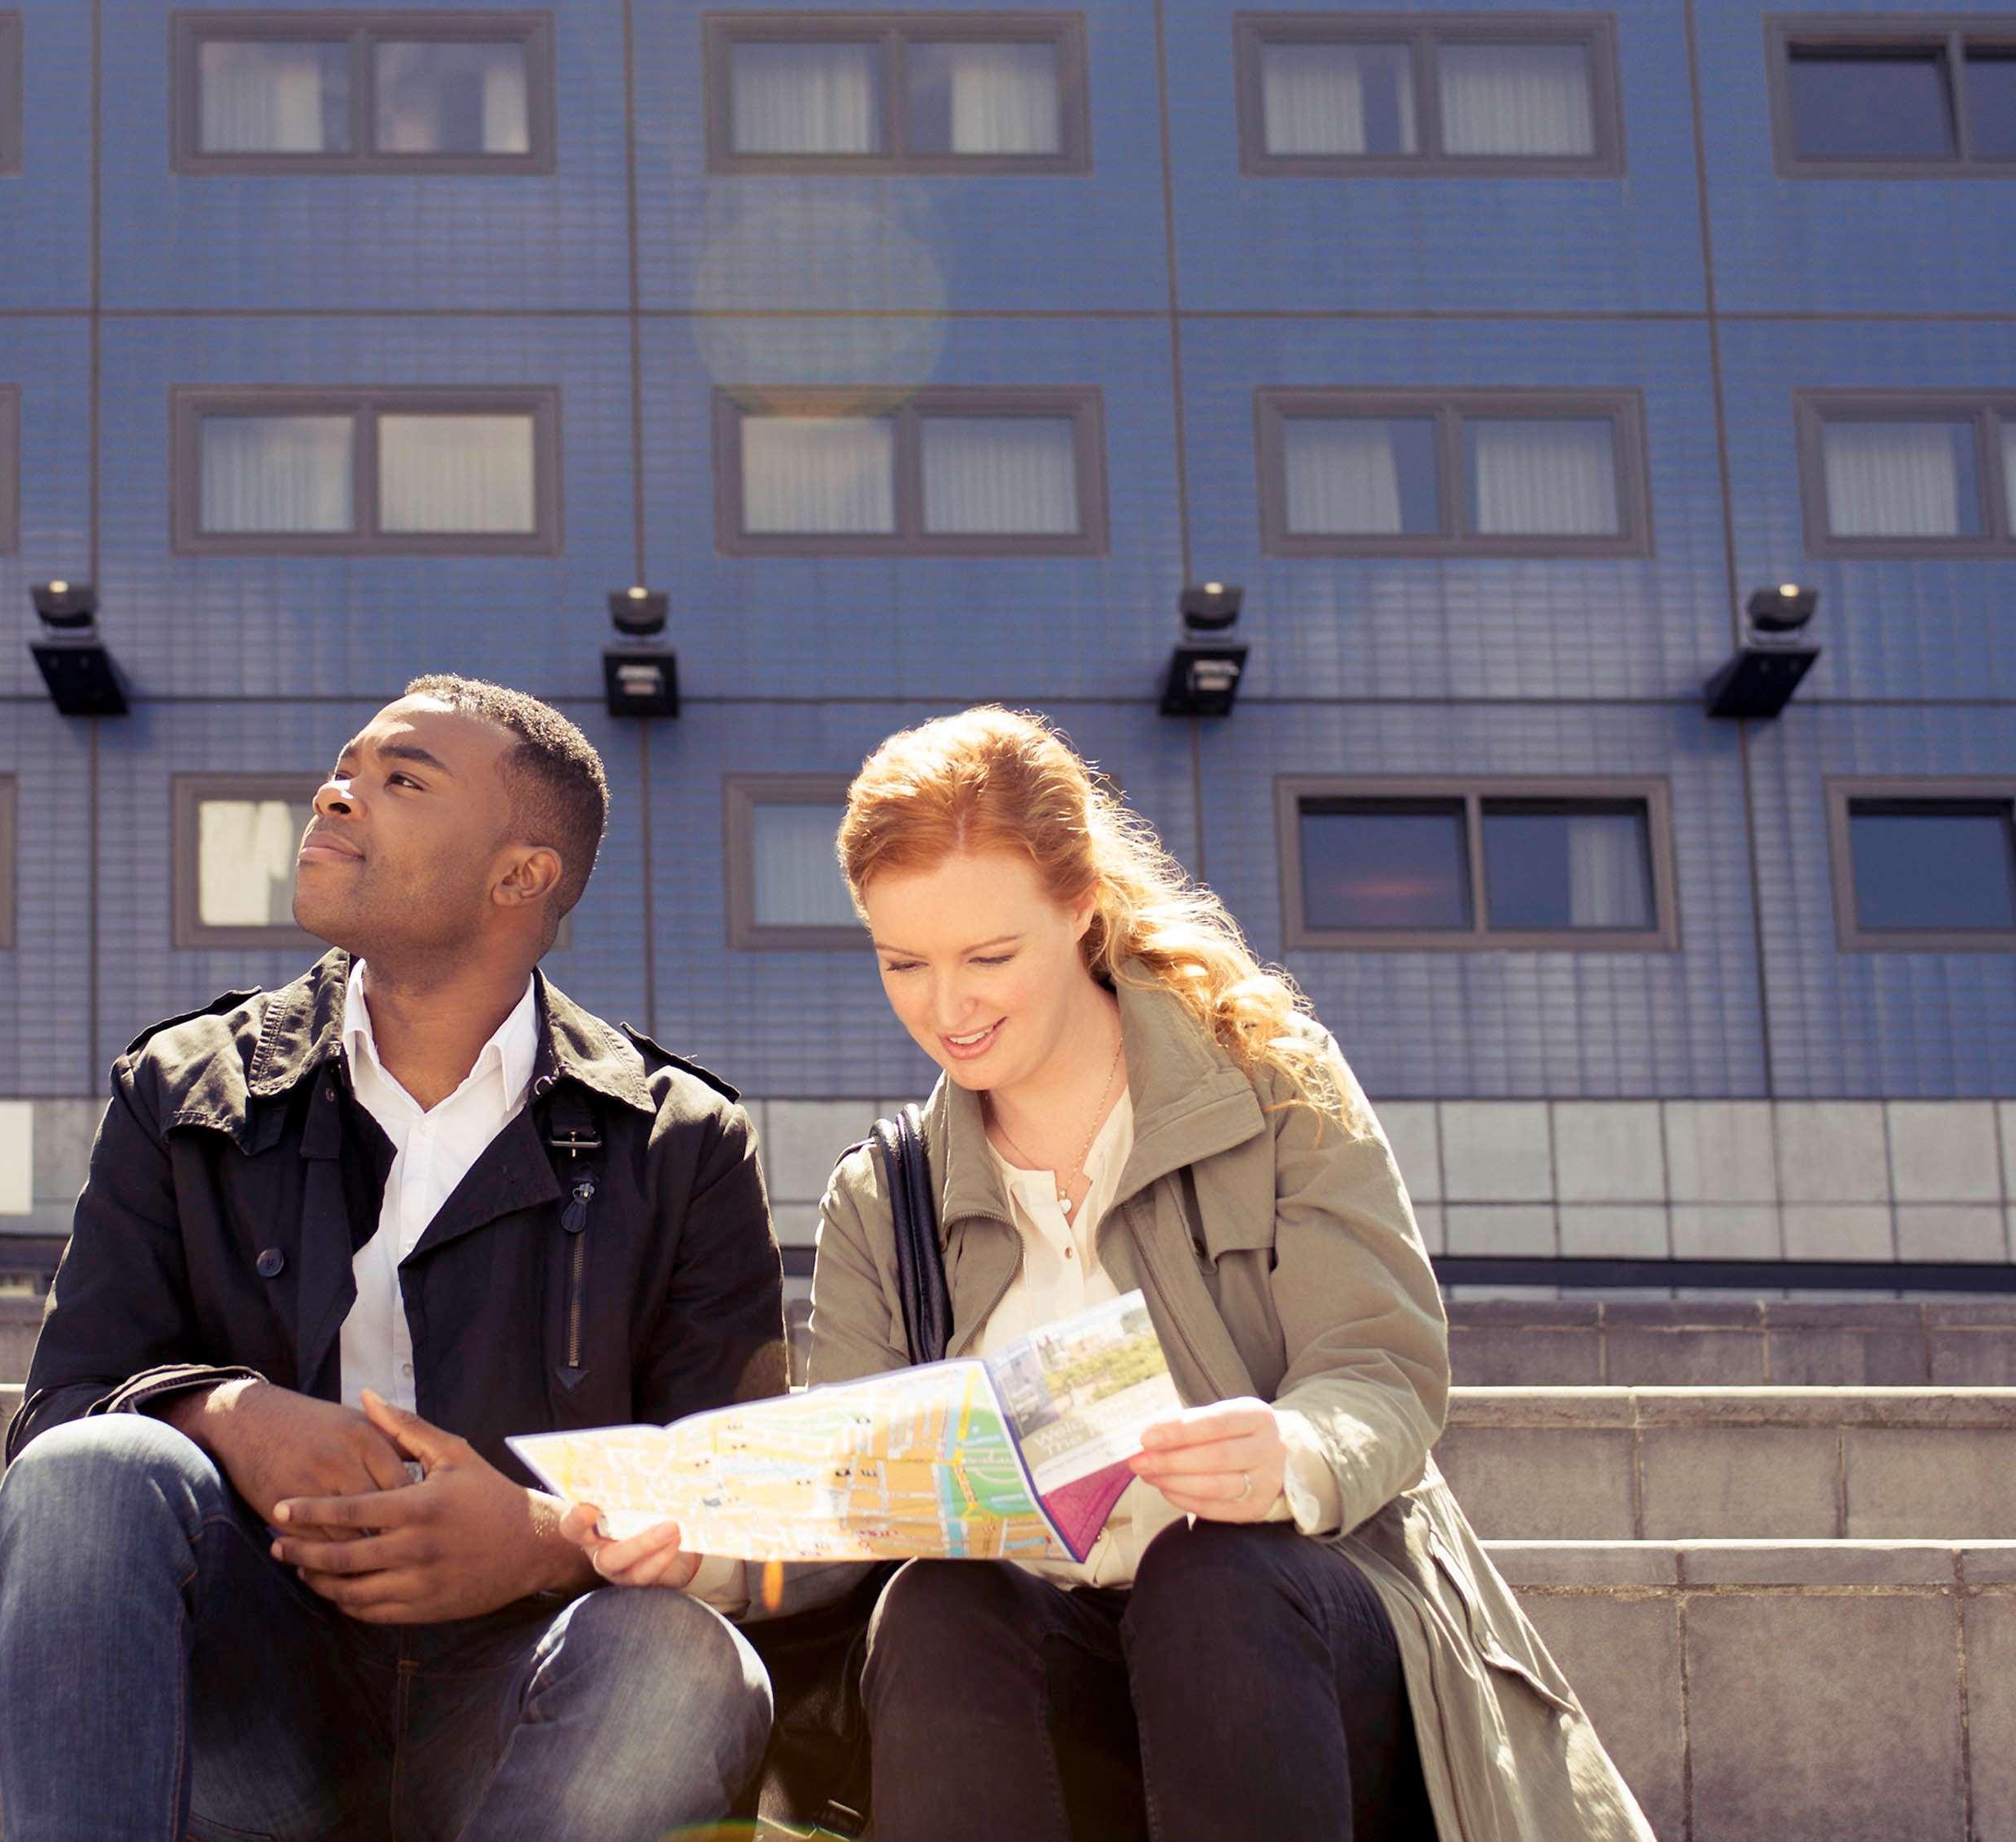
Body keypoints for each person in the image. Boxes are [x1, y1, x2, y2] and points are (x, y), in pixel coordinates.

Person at [567, 706, 1653, 1842]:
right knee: (937, 1600)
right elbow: (845, 1491)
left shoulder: (1272, 1089)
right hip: (1047, 1668)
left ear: (1082, 907)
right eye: (905, 962)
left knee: (1211, 1577)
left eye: (991, 957)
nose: (950, 1007)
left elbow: (1381, 1366)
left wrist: (1294, 1451)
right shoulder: (885, 1198)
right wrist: (710, 1551)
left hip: (1303, 1640)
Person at [0, 676, 786, 1842]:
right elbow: (56, 1414)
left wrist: (536, 1538)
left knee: (678, 1650)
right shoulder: (183, 1090)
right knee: (89, 1470)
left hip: (528, 1714)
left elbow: (740, 1501)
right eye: (346, 767)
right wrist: (227, 1413)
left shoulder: (679, 1142)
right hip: (257, 1711)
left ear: (523, 875)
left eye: (401, 779)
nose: (335, 792)